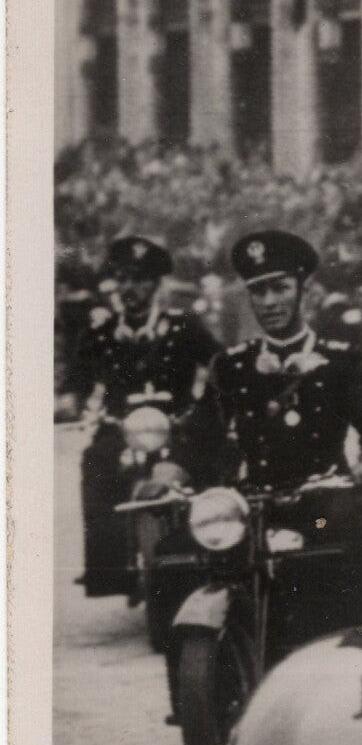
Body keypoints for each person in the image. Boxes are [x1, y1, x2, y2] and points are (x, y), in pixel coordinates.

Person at [178, 231, 362, 588]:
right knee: (188, 548)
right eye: (259, 292)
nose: (269, 301)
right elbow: (200, 435)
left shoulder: (338, 359)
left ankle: (354, 635)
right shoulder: (233, 365)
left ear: (303, 293)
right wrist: (167, 476)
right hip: (255, 508)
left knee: (345, 534)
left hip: (323, 506)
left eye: (280, 288)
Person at [65, 235, 220, 597]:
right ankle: (108, 570)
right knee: (97, 461)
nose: (130, 287)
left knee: (212, 459)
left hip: (177, 425)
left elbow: (221, 363)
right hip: (123, 430)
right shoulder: (101, 333)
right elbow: (78, 380)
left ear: (155, 284)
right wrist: (70, 400)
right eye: (123, 278)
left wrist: (213, 397)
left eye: (139, 279)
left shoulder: (182, 327)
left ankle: (219, 546)